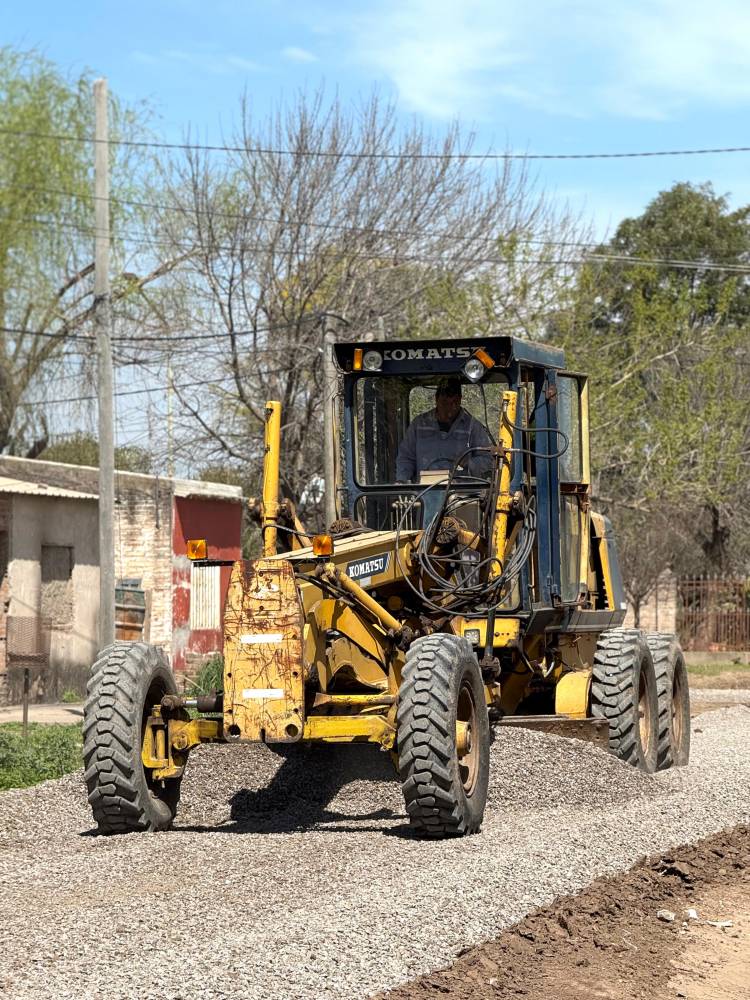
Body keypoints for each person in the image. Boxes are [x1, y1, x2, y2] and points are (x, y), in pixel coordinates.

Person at [395, 376, 493, 482]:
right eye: (445, 403)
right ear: (436, 399)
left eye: (454, 402)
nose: (450, 409)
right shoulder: (419, 425)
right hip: (423, 493)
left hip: (462, 494)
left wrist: (469, 463)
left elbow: (487, 460)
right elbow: (406, 457)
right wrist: (402, 480)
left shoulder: (473, 427)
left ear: (460, 400)